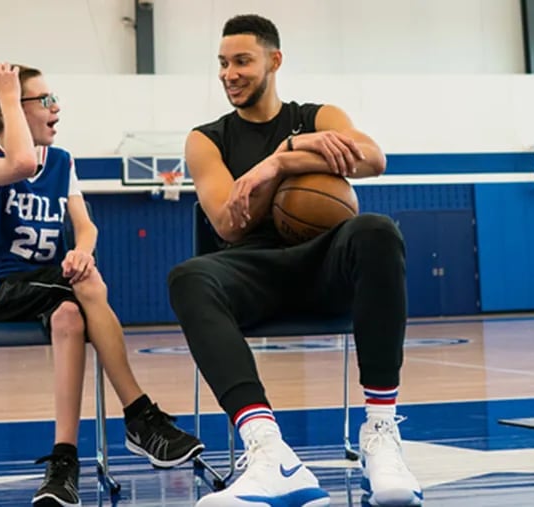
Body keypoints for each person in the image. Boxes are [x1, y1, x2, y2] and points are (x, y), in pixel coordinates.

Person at [168, 15, 422, 507]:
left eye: (242, 61)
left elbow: (373, 159)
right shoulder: (207, 139)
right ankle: (269, 453)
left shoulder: (319, 117)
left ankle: (381, 434)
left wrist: (283, 158)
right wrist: (288, 160)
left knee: (376, 230)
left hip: (323, 267)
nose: (229, 74)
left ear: (274, 61)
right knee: (188, 276)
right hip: (254, 271)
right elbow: (228, 224)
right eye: (223, 63)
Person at [0, 62, 204, 507]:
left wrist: (82, 252)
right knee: (86, 288)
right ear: (13, 108)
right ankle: (140, 417)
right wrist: (7, 95)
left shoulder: (62, 161)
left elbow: (86, 227)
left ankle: (64, 460)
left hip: (50, 288)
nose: (56, 107)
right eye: (44, 100)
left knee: (71, 313)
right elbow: (21, 162)